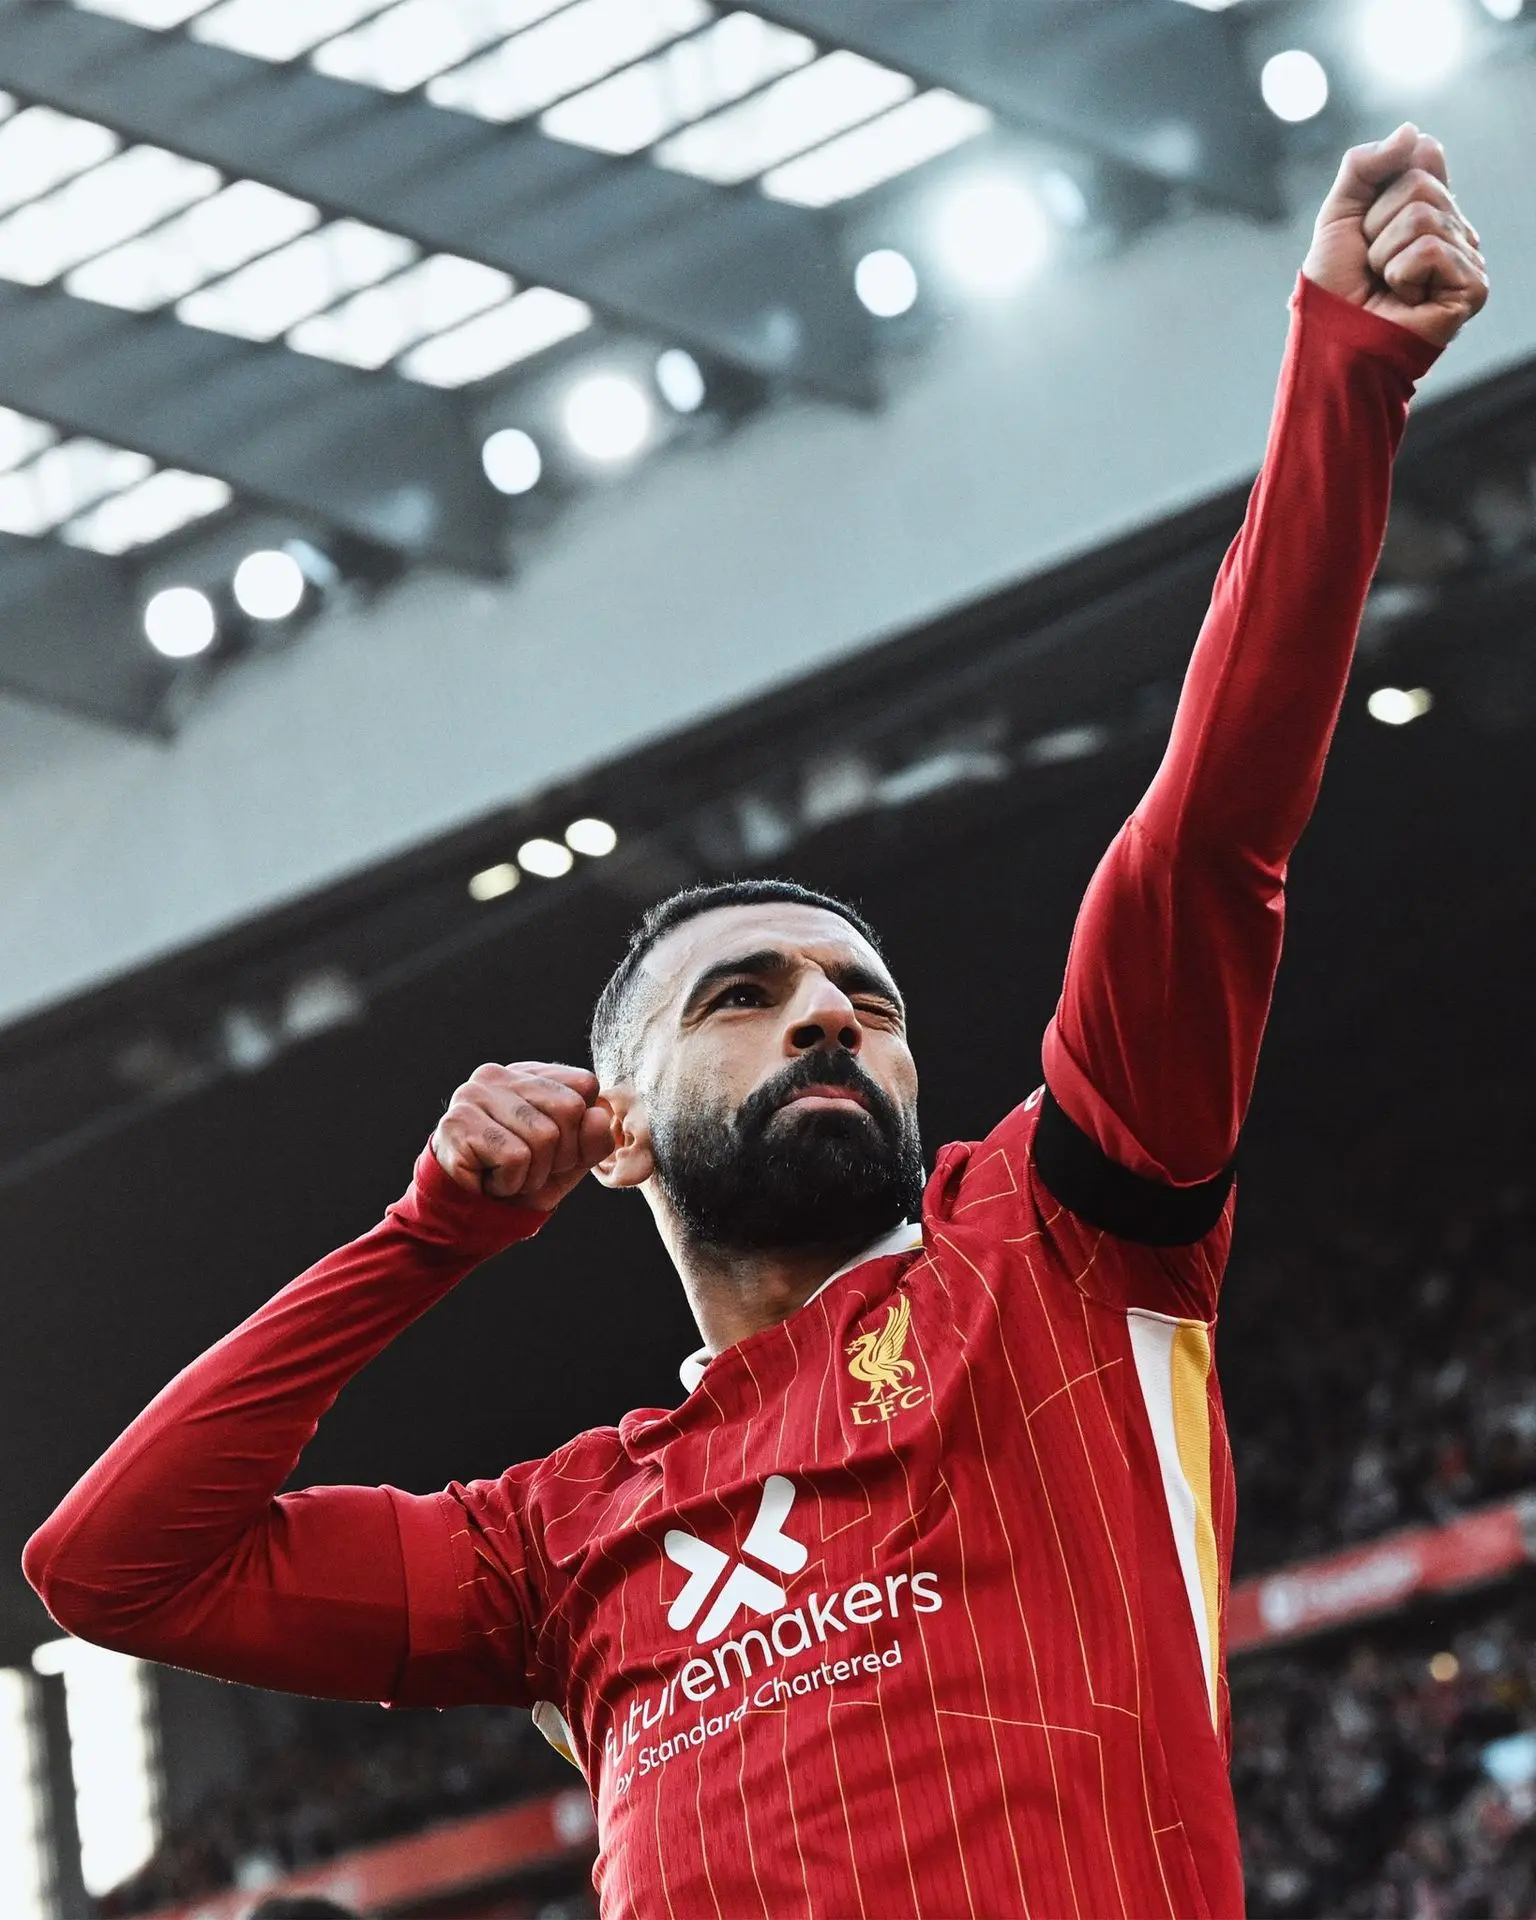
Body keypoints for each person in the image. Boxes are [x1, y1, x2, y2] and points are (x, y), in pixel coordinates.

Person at [25, 125, 1486, 1920]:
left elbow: (1204, 842)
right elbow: (116, 1571)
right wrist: (424, 1242)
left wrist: (1346, 377)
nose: (828, 1022)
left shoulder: (1056, 1258)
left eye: (866, 1003)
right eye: (749, 995)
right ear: (614, 1127)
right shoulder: (557, 1542)